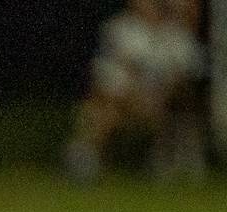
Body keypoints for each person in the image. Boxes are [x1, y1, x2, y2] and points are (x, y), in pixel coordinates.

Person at [63, 0, 207, 183]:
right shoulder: (121, 30)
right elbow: (105, 78)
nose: (148, 6)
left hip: (165, 106)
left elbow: (189, 79)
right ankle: (84, 159)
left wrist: (161, 97)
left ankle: (170, 161)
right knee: (101, 110)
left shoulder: (177, 36)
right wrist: (134, 98)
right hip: (127, 103)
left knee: (181, 103)